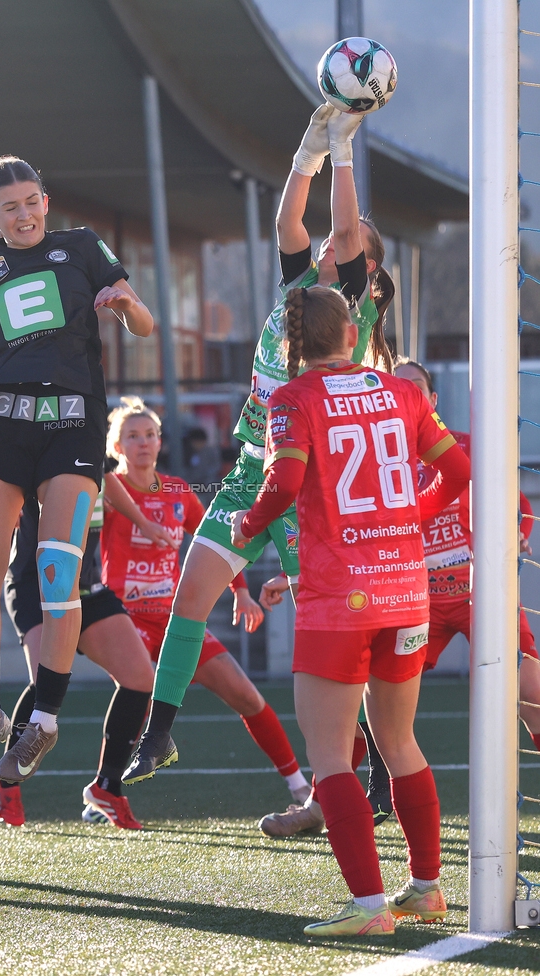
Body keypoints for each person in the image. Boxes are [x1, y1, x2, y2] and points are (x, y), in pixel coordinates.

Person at [123, 104, 396, 784]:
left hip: (308, 487)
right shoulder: (301, 285)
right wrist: (306, 156)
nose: (334, 243)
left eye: (350, 238)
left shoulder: (352, 300)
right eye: (336, 238)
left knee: (329, 636)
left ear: (363, 258)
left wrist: (344, 154)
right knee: (192, 595)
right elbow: (288, 224)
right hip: (252, 471)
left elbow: (335, 226)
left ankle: (380, 767)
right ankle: (158, 734)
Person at [0, 156, 154, 785]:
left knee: (57, 571)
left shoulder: (83, 247)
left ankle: (43, 720)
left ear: (47, 201)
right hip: (4, 426)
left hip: (73, 427)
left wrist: (124, 301)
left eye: (32, 201)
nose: (24, 214)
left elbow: (144, 325)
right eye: (9, 207)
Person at [230, 285, 470, 937]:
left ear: (291, 345)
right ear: (351, 334)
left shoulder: (294, 398)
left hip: (340, 596)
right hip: (406, 589)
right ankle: (425, 889)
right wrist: (412, 517)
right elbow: (459, 468)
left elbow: (281, 484)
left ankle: (368, 909)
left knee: (332, 756)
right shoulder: (404, 392)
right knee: (399, 741)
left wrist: (244, 527)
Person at [101, 397, 311, 803]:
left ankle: (299, 786)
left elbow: (220, 539)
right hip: (126, 619)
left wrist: (241, 592)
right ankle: (104, 792)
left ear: (161, 442)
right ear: (115, 446)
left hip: (173, 618)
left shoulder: (180, 491)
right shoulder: (111, 490)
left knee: (247, 696)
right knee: (136, 696)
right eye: (132, 436)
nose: (143, 443)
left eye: (150, 435)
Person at [0, 473, 176, 828]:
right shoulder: (43, 441)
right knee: (45, 679)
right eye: (135, 436)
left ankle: (107, 787)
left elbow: (107, 478)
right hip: (35, 582)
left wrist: (142, 521)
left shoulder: (91, 443)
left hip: (86, 586)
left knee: (140, 678)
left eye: (149, 435)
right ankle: (8, 782)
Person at [394, 359, 540, 749]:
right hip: (414, 601)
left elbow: (521, 505)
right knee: (374, 705)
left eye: (416, 388)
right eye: (398, 388)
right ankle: (330, 798)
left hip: (480, 594)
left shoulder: (468, 447)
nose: (407, 395)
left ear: (432, 399)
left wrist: (518, 535)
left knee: (533, 698)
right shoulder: (381, 460)